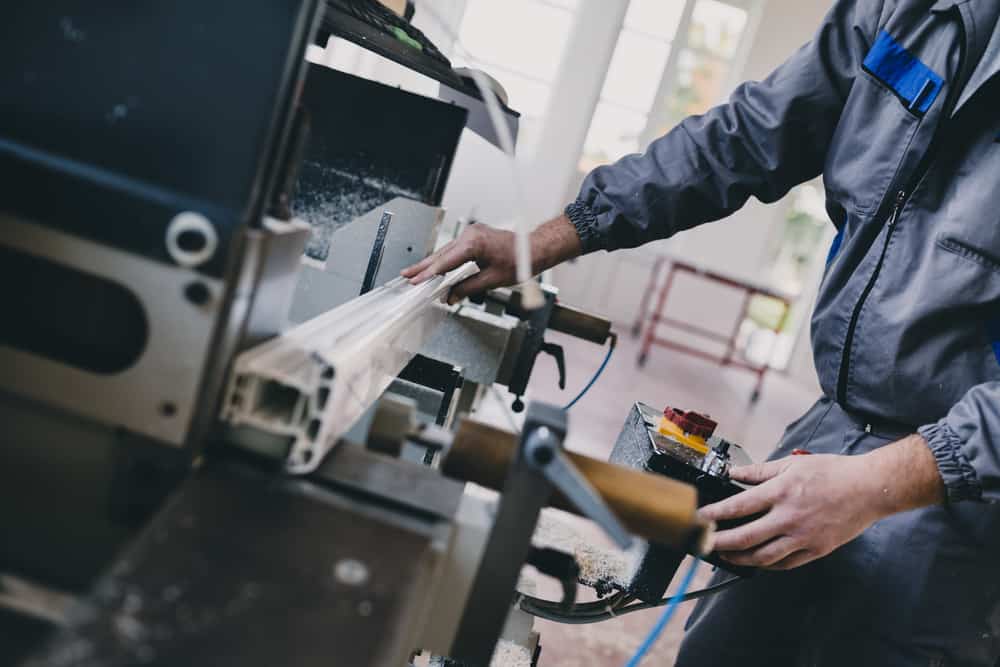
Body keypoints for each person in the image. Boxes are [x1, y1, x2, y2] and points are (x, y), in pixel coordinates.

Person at [403, 0, 1000, 663]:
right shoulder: (910, 10)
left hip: (967, 494)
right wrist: (548, 239)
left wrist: (878, 485)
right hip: (835, 432)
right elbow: (744, 137)